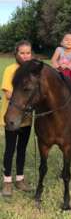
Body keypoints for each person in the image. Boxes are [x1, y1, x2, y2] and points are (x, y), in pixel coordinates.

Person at [0, 40, 33, 196]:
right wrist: (26, 101)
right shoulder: (10, 70)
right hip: (12, 118)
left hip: (26, 120)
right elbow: (8, 93)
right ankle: (7, 182)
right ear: (16, 54)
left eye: (28, 53)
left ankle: (20, 179)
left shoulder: (33, 72)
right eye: (22, 53)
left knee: (22, 150)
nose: (26, 56)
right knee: (10, 149)